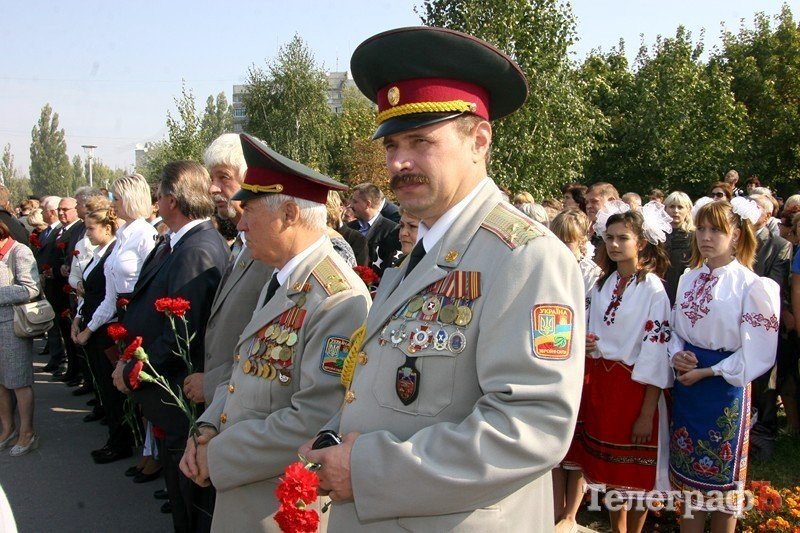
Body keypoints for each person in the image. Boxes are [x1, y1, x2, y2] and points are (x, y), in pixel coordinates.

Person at [301, 26, 585, 531]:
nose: (398, 162)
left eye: (420, 141)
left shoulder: (527, 258)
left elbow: (530, 427)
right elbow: (374, 383)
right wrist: (331, 439)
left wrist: (367, 468)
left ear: (479, 140)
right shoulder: (412, 258)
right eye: (391, 145)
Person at [179, 133, 371, 531]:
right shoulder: (281, 280)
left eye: (249, 210)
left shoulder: (337, 298)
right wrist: (207, 428)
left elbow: (315, 417)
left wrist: (217, 455)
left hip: (276, 506)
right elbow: (241, 374)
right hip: (246, 492)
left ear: (287, 214)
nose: (241, 221)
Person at [114, 161, 229, 533]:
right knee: (179, 487)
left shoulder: (197, 249)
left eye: (158, 194)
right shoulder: (176, 242)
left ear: (173, 200)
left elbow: (182, 333)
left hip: (178, 390)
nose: (155, 202)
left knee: (189, 494)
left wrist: (134, 369)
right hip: (167, 388)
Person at [669, 198, 779, 532]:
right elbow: (674, 328)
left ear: (735, 235)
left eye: (716, 229)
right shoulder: (688, 278)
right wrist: (676, 355)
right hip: (687, 384)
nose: (705, 236)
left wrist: (709, 371)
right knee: (689, 483)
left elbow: (759, 350)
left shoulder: (750, 284)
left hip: (723, 387)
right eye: (701, 228)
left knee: (723, 488)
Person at [578, 201, 673, 533]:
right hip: (603, 387)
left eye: (623, 238)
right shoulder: (602, 284)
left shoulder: (653, 290)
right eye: (610, 238)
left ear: (641, 243)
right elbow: (592, 329)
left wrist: (647, 411)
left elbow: (655, 353)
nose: (615, 245)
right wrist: (586, 343)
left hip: (633, 389)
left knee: (635, 478)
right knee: (611, 477)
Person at [182, 132, 274, 409]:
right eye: (212, 179)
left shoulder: (271, 248)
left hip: (246, 404)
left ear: (252, 179)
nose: (212, 189)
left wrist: (212, 383)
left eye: (223, 177)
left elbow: (272, 347)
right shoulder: (242, 241)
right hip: (224, 399)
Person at [549, 208, 602, 531]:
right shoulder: (547, 266)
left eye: (571, 240)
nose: (566, 246)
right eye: (560, 239)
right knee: (555, 436)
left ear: (583, 241)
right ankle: (555, 508)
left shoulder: (593, 274)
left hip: (582, 357)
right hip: (552, 352)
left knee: (577, 437)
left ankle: (572, 513)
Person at [70, 199, 122, 460]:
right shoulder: (98, 254)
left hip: (102, 330)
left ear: (107, 228)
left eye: (91, 229)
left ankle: (118, 442)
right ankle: (113, 435)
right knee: (102, 384)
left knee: (110, 387)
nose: (88, 234)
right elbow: (88, 294)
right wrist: (78, 318)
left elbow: (107, 301)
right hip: (91, 325)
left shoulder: (112, 254)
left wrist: (88, 329)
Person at [0, 220, 40, 456]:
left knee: (18, 381)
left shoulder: (19, 252)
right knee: (1, 383)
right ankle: (7, 429)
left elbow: (30, 288)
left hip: (12, 326)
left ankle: (27, 431)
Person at [36, 196, 64, 372]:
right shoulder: (48, 232)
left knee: (58, 324)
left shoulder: (60, 231)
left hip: (59, 286)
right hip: (49, 283)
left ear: (50, 212)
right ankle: (56, 355)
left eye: (43, 210)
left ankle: (59, 357)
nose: (41, 213)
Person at [348, 183, 400, 274]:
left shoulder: (391, 231)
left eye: (355, 202)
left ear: (367, 204)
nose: (350, 205)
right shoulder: (349, 228)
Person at [663, 191, 695, 306]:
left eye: (680, 207)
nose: (675, 211)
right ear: (665, 209)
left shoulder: (694, 237)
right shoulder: (657, 235)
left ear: (688, 210)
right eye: (672, 206)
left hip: (683, 291)